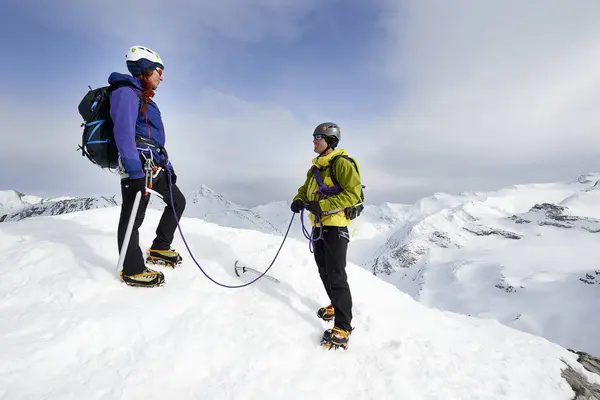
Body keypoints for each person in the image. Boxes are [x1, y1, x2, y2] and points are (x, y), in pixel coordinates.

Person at [109, 45, 186, 288]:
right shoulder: (125, 93)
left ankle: (160, 248)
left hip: (153, 164)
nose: (161, 76)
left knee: (177, 200)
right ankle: (131, 268)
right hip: (137, 166)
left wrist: (168, 168)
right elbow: (123, 133)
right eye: (158, 70)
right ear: (145, 69)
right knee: (134, 215)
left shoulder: (145, 99)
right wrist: (134, 172)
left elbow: (153, 141)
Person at [290, 122, 362, 349]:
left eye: (317, 137)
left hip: (336, 226)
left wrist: (323, 205)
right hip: (319, 226)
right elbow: (305, 188)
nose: (313, 140)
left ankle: (343, 327)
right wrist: (299, 199)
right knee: (324, 271)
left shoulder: (342, 164)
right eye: (314, 137)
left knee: (337, 274)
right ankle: (335, 304)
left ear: (329, 141)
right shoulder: (315, 169)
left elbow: (353, 194)